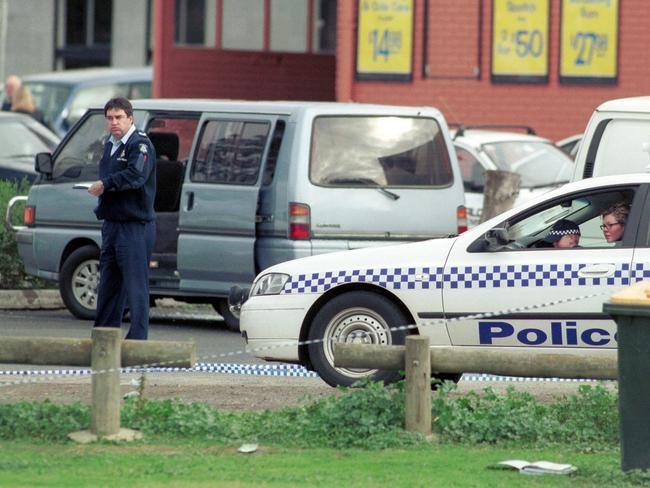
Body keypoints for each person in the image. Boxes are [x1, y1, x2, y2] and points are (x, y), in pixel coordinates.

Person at [88, 97, 156, 340]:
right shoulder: (110, 144)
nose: (114, 122)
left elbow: (135, 175)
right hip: (112, 225)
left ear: (130, 118)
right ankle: (104, 339)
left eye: (118, 117)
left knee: (136, 286)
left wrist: (105, 184)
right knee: (108, 285)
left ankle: (137, 341)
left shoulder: (140, 145)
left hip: (134, 227)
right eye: (109, 118)